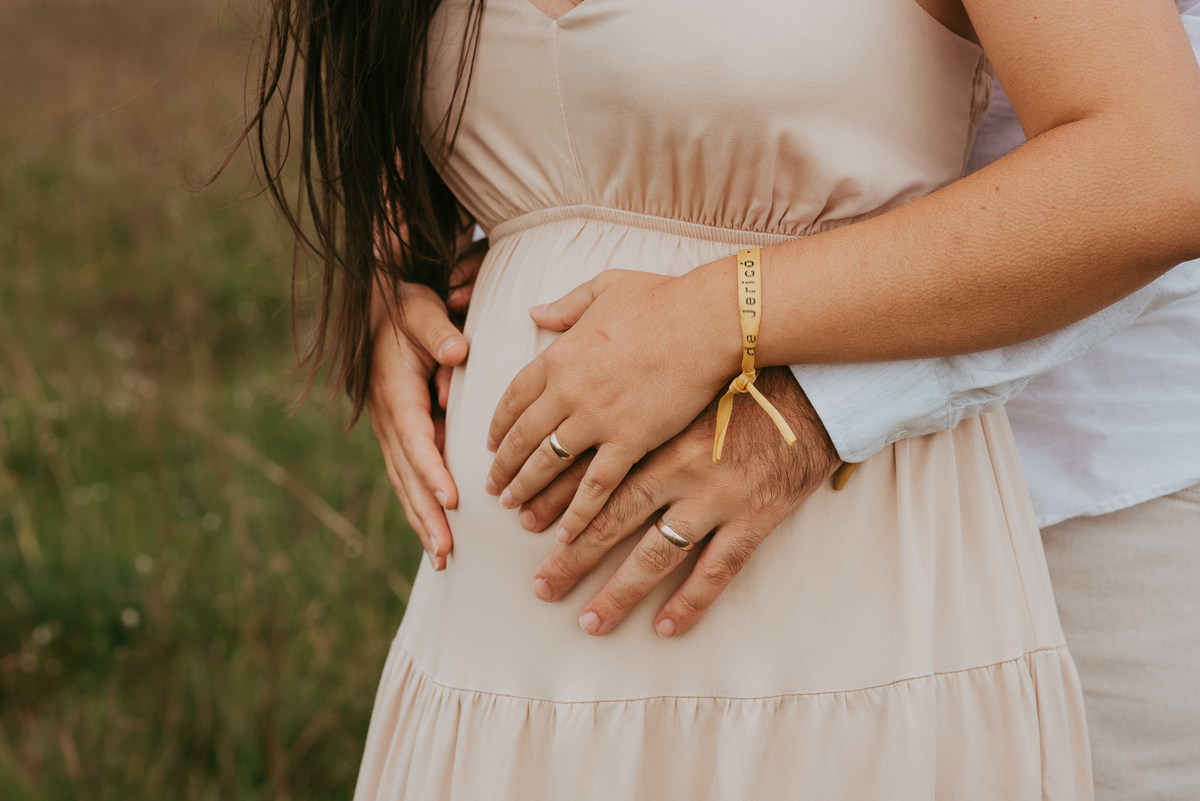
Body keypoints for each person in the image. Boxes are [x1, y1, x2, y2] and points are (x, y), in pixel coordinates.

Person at [251, 0, 1200, 797]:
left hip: (977, 543)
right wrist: (395, 263)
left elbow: (1153, 164)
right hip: (497, 660)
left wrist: (739, 337)